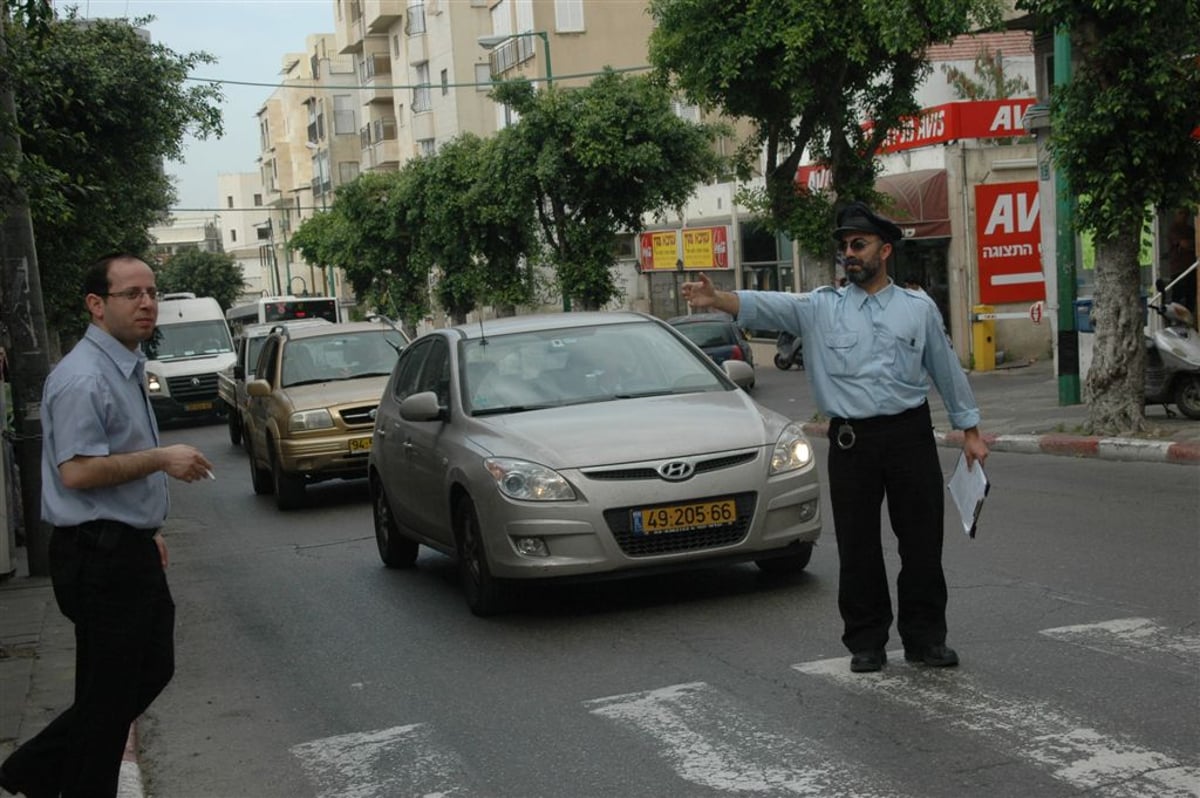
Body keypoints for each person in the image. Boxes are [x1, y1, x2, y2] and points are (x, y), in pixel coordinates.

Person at [681, 202, 989, 674]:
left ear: (883, 250)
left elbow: (946, 370)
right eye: (844, 246)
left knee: (922, 544)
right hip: (852, 442)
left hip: (909, 436)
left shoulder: (918, 309)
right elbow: (769, 305)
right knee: (858, 545)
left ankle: (926, 639)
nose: (849, 253)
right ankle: (866, 642)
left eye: (858, 245)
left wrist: (970, 431)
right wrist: (718, 298)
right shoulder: (821, 307)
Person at [0, 254, 213, 797]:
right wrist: (162, 460)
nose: (147, 303)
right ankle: (37, 773)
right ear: (97, 306)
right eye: (131, 294)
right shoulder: (83, 378)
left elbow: (115, 461)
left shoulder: (122, 363)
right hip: (99, 556)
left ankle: (33, 771)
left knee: (135, 679)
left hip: (125, 546)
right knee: (110, 697)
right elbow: (77, 471)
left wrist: (147, 528)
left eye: (152, 292)